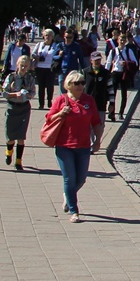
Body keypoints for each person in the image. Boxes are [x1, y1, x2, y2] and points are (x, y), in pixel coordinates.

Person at [47, 71, 104, 222]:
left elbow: (96, 122)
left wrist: (97, 140)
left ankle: (67, 195)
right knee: (69, 179)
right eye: (76, 83)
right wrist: (61, 113)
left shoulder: (88, 100)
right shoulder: (61, 100)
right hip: (64, 145)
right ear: (68, 85)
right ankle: (74, 211)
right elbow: (49, 118)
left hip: (83, 146)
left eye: (82, 83)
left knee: (81, 179)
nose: (80, 86)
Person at [1, 55, 35, 170]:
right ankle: (9, 151)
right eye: (22, 66)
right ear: (17, 65)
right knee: (10, 136)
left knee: (21, 136)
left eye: (26, 66)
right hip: (12, 107)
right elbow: (4, 93)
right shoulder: (12, 77)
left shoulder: (30, 78)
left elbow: (33, 93)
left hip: (24, 108)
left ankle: (18, 161)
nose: (23, 68)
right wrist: (15, 94)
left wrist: (28, 95)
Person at [33, 29, 58, 108]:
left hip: (50, 69)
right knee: (41, 86)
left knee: (50, 86)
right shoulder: (39, 44)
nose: (48, 37)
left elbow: (57, 55)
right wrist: (37, 57)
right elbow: (33, 54)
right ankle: (41, 104)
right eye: (46, 35)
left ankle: (49, 100)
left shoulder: (55, 45)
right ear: (43, 36)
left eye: (49, 35)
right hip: (40, 68)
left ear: (52, 36)